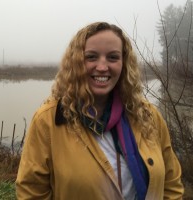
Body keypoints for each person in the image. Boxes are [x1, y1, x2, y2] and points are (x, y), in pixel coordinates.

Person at [16, 22, 184, 199]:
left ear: (124, 63)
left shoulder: (148, 115)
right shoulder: (48, 120)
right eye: (91, 57)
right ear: (76, 62)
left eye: (112, 57)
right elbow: (32, 192)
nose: (102, 67)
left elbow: (171, 184)